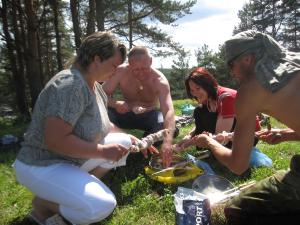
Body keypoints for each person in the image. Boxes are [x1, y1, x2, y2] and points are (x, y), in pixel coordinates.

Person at [13, 31, 136, 225]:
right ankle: (46, 204)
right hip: (42, 164)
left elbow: (104, 124)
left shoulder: (94, 86)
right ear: (97, 59)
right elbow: (55, 140)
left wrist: (127, 136)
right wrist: (103, 151)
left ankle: (69, 192)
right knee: (101, 206)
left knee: (123, 141)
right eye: (114, 65)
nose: (115, 71)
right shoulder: (70, 85)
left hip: (67, 159)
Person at [191, 30, 300, 224]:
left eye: (231, 65)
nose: (231, 72)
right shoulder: (295, 63)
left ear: (248, 59)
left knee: (235, 209)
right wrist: (287, 135)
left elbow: (238, 165)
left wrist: (209, 142)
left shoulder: (251, 90)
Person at [102, 46, 176, 167]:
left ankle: (143, 147)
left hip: (148, 115)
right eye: (135, 69)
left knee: (166, 126)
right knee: (103, 115)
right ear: (129, 64)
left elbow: (168, 110)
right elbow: (99, 94)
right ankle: (117, 144)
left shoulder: (159, 81)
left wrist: (168, 141)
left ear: (151, 61)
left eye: (144, 68)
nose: (141, 73)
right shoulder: (121, 72)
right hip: (124, 113)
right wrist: (115, 103)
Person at [175, 67, 261, 152]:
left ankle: (218, 148)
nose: (195, 94)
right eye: (192, 90)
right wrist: (189, 136)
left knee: (207, 117)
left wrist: (188, 143)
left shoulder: (226, 98)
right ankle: (205, 146)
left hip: (247, 136)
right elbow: (200, 126)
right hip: (228, 133)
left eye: (198, 88)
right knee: (199, 111)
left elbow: (221, 134)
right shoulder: (209, 98)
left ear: (207, 85)